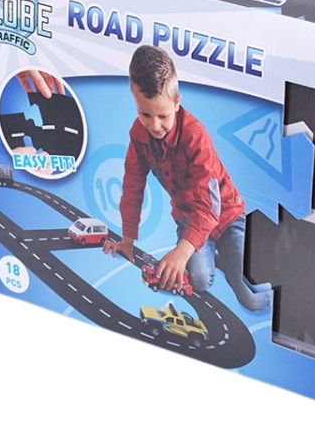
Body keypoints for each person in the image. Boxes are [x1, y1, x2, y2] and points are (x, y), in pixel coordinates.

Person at [103, 45, 271, 312]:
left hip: (226, 214)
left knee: (249, 295)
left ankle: (231, 264)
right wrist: (127, 239)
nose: (154, 125)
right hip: (188, 217)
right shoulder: (138, 135)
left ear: (177, 103)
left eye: (163, 116)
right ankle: (218, 259)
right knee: (201, 280)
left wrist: (182, 251)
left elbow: (209, 204)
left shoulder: (195, 137)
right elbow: (133, 186)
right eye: (144, 114)